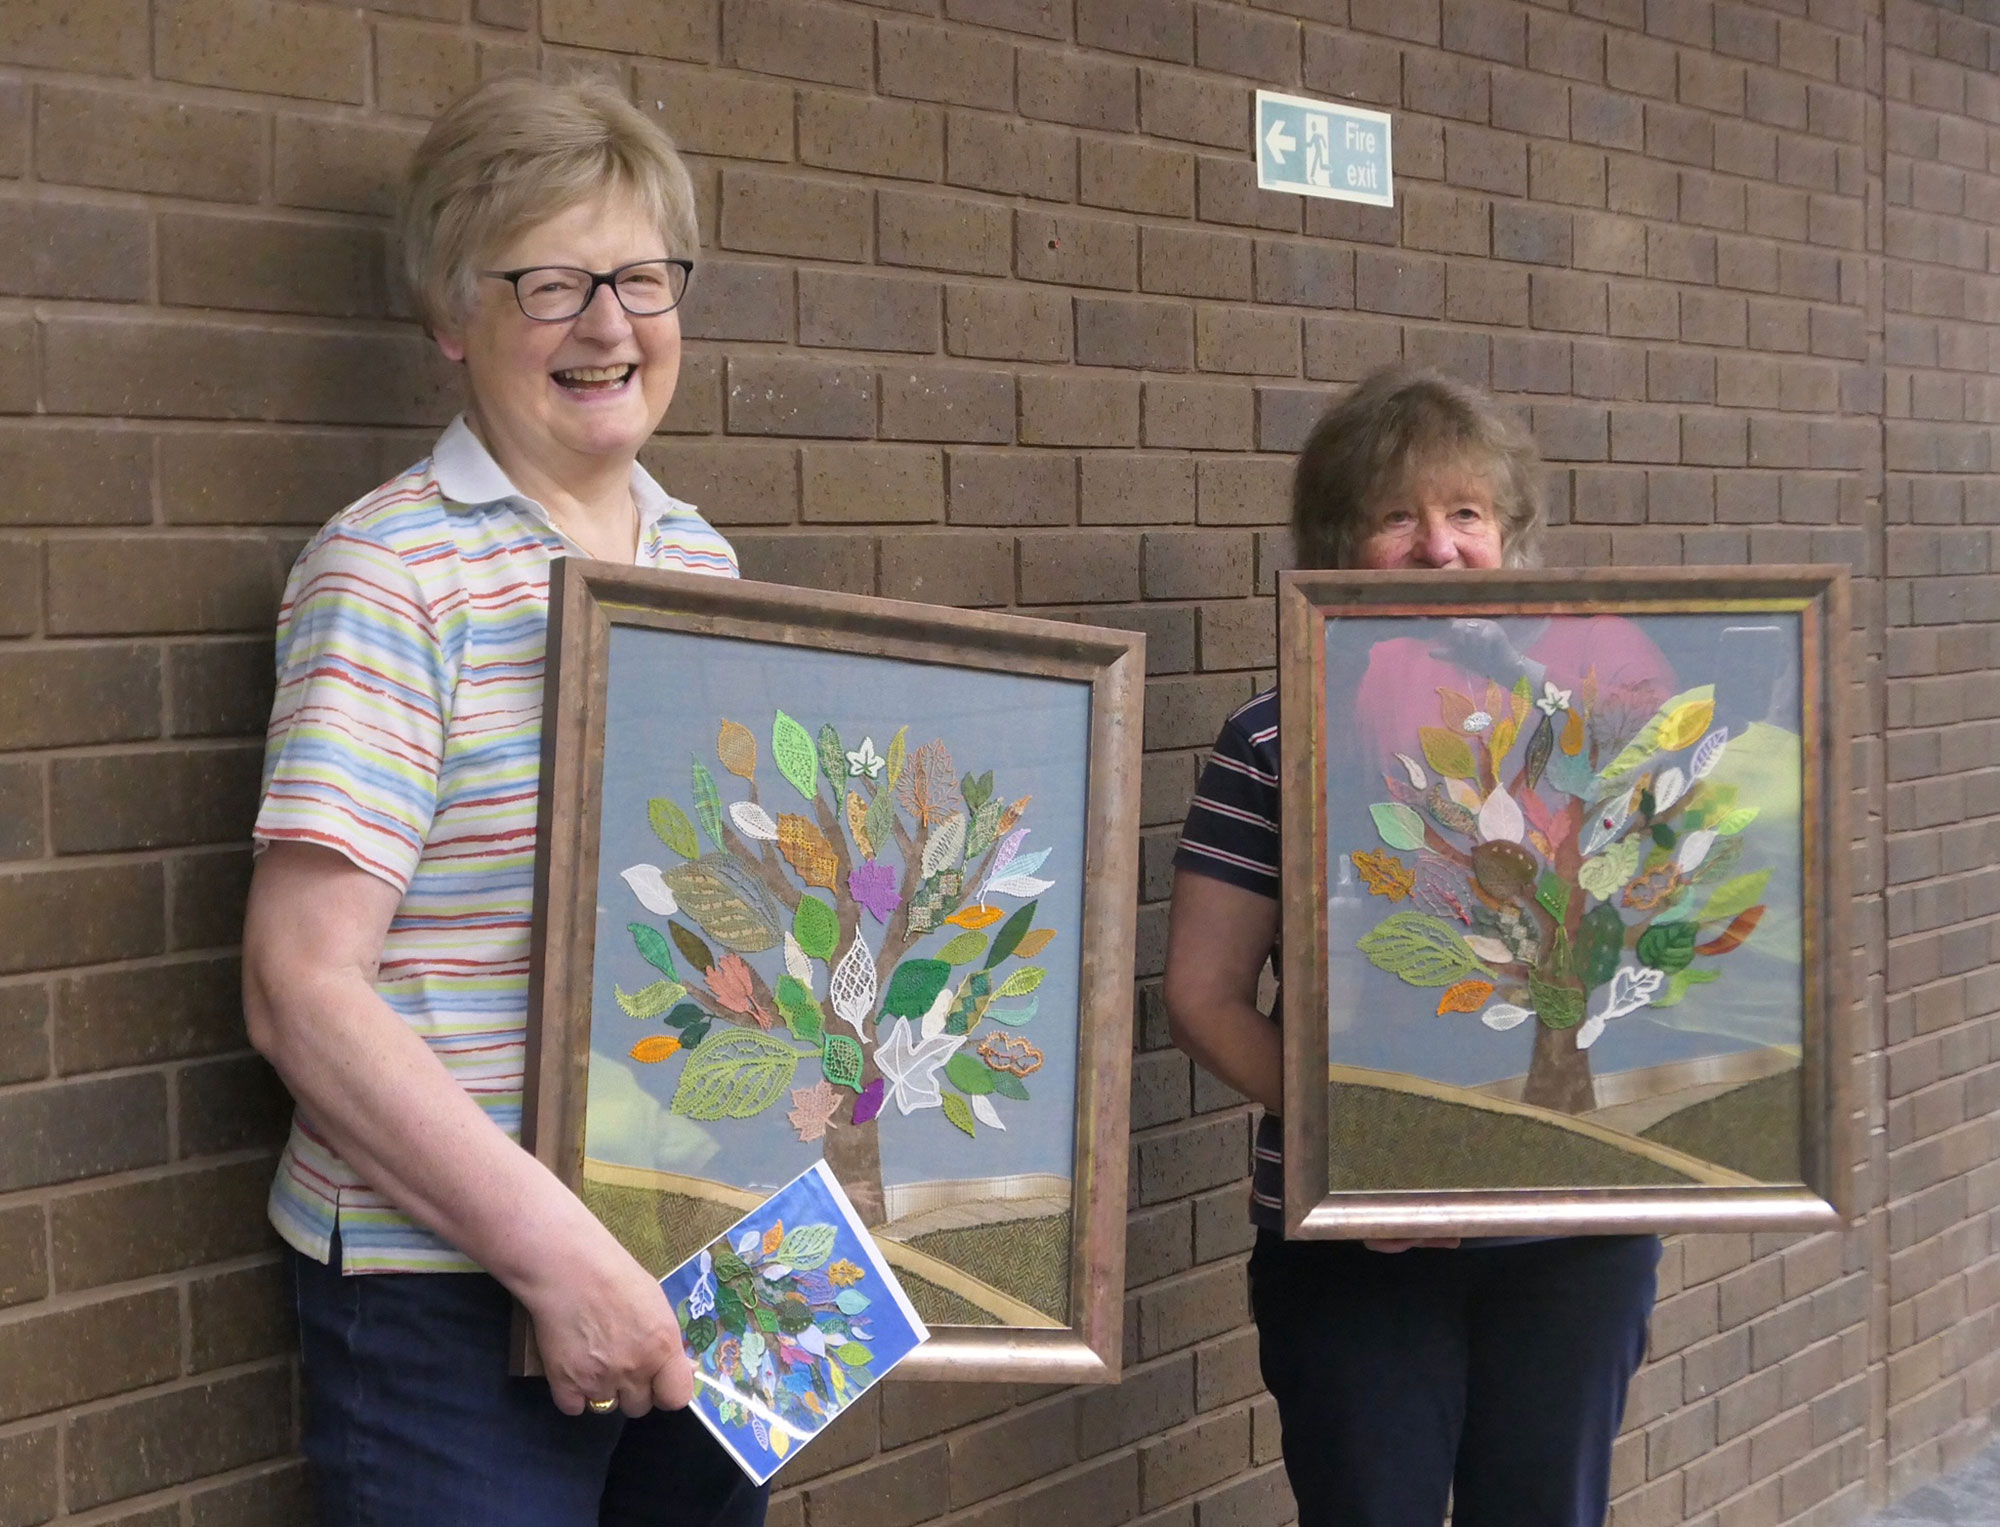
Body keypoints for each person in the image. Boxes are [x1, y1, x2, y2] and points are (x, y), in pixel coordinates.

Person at [239, 77, 763, 1526]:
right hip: (451, 1294)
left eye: (642, 278)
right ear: (452, 319)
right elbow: (301, 986)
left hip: (687, 1250)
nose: (608, 325)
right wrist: (555, 1253)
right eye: (551, 282)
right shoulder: (391, 574)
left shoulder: (703, 561)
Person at [1162, 365, 1663, 1527]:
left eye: (1466, 513)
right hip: (1356, 1241)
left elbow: (1676, 961)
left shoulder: (1604, 730)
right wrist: (1363, 1139)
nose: (1438, 547)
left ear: (1509, 537)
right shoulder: (1271, 738)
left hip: (1569, 1236)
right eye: (1396, 516)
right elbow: (1202, 993)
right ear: (1338, 545)